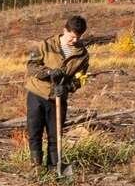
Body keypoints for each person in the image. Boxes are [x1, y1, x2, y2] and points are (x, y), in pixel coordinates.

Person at [24, 15, 90, 170]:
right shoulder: (46, 45)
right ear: (64, 30)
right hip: (37, 93)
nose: (74, 40)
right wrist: (48, 72)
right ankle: (36, 165)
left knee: (55, 134)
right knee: (35, 130)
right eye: (72, 36)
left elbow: (81, 78)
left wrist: (68, 87)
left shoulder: (82, 55)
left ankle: (54, 165)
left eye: (78, 37)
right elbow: (31, 66)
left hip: (58, 97)